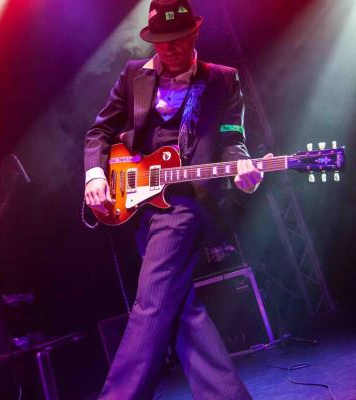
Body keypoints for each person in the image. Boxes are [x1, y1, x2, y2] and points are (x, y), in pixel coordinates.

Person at [84, 1, 271, 398]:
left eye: (178, 40)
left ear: (194, 33)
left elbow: (232, 139)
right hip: (139, 204)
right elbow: (100, 132)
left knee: (151, 304)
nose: (168, 48)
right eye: (160, 41)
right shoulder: (134, 74)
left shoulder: (222, 79)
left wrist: (244, 173)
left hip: (185, 204)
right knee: (181, 309)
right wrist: (96, 174)